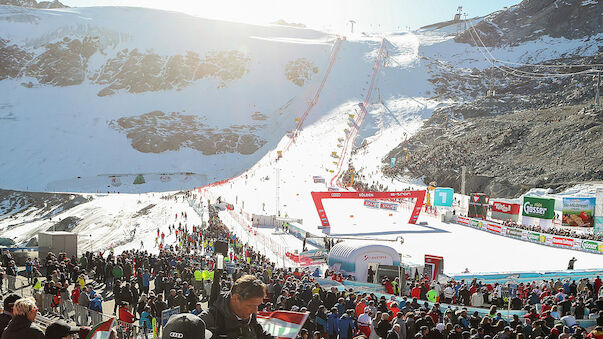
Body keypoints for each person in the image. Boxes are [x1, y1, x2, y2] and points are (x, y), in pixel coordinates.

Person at [200, 275, 273, 339]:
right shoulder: (206, 321)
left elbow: (260, 333)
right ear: (235, 298)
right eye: (250, 305)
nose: (255, 310)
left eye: (257, 305)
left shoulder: (250, 316)